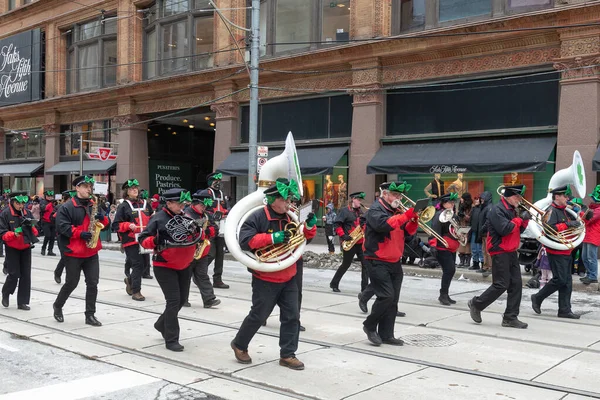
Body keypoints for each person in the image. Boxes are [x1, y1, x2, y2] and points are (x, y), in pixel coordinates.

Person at [231, 178, 316, 370]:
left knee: (292, 316)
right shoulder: (257, 217)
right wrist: (272, 237)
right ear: (272, 200)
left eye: (289, 200)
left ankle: (288, 354)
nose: (289, 204)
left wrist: (309, 227)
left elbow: (303, 241)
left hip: (289, 274)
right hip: (266, 277)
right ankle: (239, 344)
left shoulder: (290, 217)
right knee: (259, 315)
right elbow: (245, 240)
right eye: (285, 200)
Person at [139, 188, 200, 352]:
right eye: (179, 203)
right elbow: (143, 239)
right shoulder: (158, 218)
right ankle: (171, 339)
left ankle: (160, 324)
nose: (182, 206)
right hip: (164, 265)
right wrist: (155, 240)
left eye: (183, 203)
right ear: (169, 203)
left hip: (184, 264)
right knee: (173, 301)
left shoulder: (185, 216)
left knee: (181, 300)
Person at [362, 181, 418, 346]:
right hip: (377, 259)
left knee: (393, 300)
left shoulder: (397, 211)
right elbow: (383, 225)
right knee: (386, 296)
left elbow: (407, 233)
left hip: (395, 260)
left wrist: (413, 221)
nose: (398, 198)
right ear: (384, 194)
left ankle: (387, 334)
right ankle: (369, 325)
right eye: (395, 195)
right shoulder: (375, 210)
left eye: (400, 195)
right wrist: (406, 215)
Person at [468, 184, 529, 329]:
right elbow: (505, 229)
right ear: (508, 196)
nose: (519, 199)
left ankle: (510, 317)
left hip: (511, 250)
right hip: (499, 250)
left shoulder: (512, 209)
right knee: (501, 284)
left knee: (516, 285)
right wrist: (520, 219)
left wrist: (525, 220)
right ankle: (476, 303)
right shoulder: (497, 210)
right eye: (517, 196)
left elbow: (517, 230)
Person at [53, 175, 109, 327]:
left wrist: (103, 218)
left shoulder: (94, 203)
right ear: (77, 188)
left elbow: (106, 224)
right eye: (85, 186)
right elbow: (62, 227)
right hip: (74, 252)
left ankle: (90, 315)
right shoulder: (67, 207)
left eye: (90, 187)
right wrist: (80, 233)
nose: (88, 189)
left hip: (91, 251)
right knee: (72, 283)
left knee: (93, 283)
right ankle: (58, 305)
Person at [531, 185, 581, 319]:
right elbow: (548, 229)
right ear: (557, 196)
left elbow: (574, 225)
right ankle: (537, 297)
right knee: (560, 279)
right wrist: (567, 225)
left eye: (567, 196)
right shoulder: (552, 211)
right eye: (565, 196)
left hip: (566, 250)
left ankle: (564, 310)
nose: (567, 198)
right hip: (556, 251)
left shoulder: (564, 210)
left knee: (567, 281)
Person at [113, 179, 153, 301]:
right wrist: (127, 225)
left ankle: (130, 280)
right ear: (127, 192)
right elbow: (115, 225)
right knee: (137, 264)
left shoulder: (146, 204)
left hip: (145, 239)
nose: (134, 190)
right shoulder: (123, 206)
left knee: (145, 265)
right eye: (131, 189)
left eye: (136, 188)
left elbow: (152, 219)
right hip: (131, 240)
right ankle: (136, 291)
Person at [183, 189, 221, 309]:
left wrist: (209, 231)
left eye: (205, 205)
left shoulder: (206, 214)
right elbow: (186, 231)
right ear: (195, 204)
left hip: (202, 251)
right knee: (185, 276)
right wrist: (202, 231)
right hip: (188, 250)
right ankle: (183, 299)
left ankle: (208, 299)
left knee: (203, 275)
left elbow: (215, 228)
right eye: (201, 205)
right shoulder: (186, 214)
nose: (203, 207)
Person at [1, 192, 38, 310]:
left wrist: (32, 229)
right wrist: (14, 233)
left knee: (26, 275)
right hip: (12, 248)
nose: (21, 206)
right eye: (18, 203)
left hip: (26, 247)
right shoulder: (6, 214)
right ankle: (6, 293)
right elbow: (2, 233)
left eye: (23, 203)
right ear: (12, 202)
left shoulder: (27, 212)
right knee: (14, 274)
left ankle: (22, 302)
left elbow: (36, 230)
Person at [329, 192, 369, 293]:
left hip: (360, 243)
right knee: (346, 264)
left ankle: (364, 289)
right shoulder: (344, 211)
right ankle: (334, 283)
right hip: (349, 242)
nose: (360, 202)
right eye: (359, 200)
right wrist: (343, 236)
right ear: (353, 199)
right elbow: (337, 224)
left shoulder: (361, 212)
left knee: (366, 265)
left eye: (361, 200)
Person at [429, 193, 460, 306]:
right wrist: (433, 245)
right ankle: (443, 295)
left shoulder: (453, 215)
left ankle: (445, 294)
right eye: (450, 202)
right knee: (449, 270)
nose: (452, 204)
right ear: (443, 203)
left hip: (451, 247)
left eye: (453, 202)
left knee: (450, 271)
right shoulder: (439, 215)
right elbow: (435, 230)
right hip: (442, 247)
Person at [206, 172, 229, 289]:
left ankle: (217, 280)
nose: (218, 183)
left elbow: (226, 207)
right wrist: (213, 215)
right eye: (216, 181)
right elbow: (204, 208)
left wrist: (225, 213)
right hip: (210, 225)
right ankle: (199, 272)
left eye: (219, 181)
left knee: (220, 254)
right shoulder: (206, 193)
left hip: (222, 225)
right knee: (211, 253)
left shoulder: (222, 193)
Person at [53, 190, 76, 284]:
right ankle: (58, 273)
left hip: (72, 235)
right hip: (62, 236)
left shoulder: (76, 207)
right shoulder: (60, 207)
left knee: (70, 257)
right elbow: (54, 218)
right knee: (65, 256)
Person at [580, 185, 600, 285]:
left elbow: (588, 220)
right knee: (584, 257)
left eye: (593, 198)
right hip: (588, 235)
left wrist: (579, 212)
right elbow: (585, 220)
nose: (591, 199)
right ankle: (589, 274)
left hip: (593, 236)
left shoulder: (598, 210)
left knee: (591, 257)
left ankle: (593, 276)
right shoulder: (592, 209)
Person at [476, 191, 493, 277]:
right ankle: (486, 266)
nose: (481, 200)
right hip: (484, 233)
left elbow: (488, 221)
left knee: (488, 251)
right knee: (484, 250)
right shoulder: (484, 207)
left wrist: (482, 229)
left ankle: (490, 267)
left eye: (483, 198)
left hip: (487, 233)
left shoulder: (488, 207)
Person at [456, 192, 473, 268]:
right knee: (461, 243)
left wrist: (463, 215)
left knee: (467, 244)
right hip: (460, 227)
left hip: (467, 227)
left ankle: (467, 261)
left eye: (462, 198)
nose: (461, 199)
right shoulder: (460, 206)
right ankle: (462, 260)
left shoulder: (471, 207)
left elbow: (470, 218)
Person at [39, 189, 57, 256]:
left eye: (51, 196)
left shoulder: (54, 203)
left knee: (52, 237)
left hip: (53, 222)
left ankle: (50, 250)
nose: (50, 197)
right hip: (45, 222)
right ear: (45, 196)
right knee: (47, 235)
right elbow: (44, 209)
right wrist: (50, 203)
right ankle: (43, 248)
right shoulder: (42, 202)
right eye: (48, 196)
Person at [469, 196, 484, 271]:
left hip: (480, 232)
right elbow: (471, 220)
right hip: (474, 231)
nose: (476, 201)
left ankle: (482, 264)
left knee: (480, 249)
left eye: (477, 199)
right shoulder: (474, 209)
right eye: (475, 199)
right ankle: (475, 263)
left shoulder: (482, 209)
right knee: (474, 248)